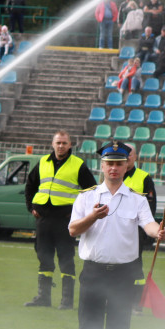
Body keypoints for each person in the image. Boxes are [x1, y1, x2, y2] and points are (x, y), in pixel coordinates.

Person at [69, 142, 165, 329]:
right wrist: (92, 217)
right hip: (93, 273)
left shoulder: (138, 199)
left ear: (127, 166)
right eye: (109, 164)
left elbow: (149, 225)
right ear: (102, 167)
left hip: (123, 276)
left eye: (119, 164)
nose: (114, 168)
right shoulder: (86, 197)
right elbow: (73, 229)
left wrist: (159, 231)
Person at [24, 130, 97, 309]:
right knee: (44, 258)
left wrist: (80, 215)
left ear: (70, 145)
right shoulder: (42, 162)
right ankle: (44, 298)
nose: (61, 146)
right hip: (43, 219)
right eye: (58, 143)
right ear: (52, 144)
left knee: (66, 259)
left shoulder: (78, 165)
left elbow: (92, 191)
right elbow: (30, 185)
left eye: (64, 143)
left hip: (65, 221)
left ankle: (67, 301)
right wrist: (31, 207)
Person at [123, 144, 158, 312]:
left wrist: (146, 233)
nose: (127, 157)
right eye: (124, 154)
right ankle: (116, 299)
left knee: (135, 267)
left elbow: (150, 209)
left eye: (130, 154)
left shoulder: (144, 178)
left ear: (135, 157)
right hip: (115, 230)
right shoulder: (114, 175)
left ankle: (137, 304)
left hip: (135, 231)